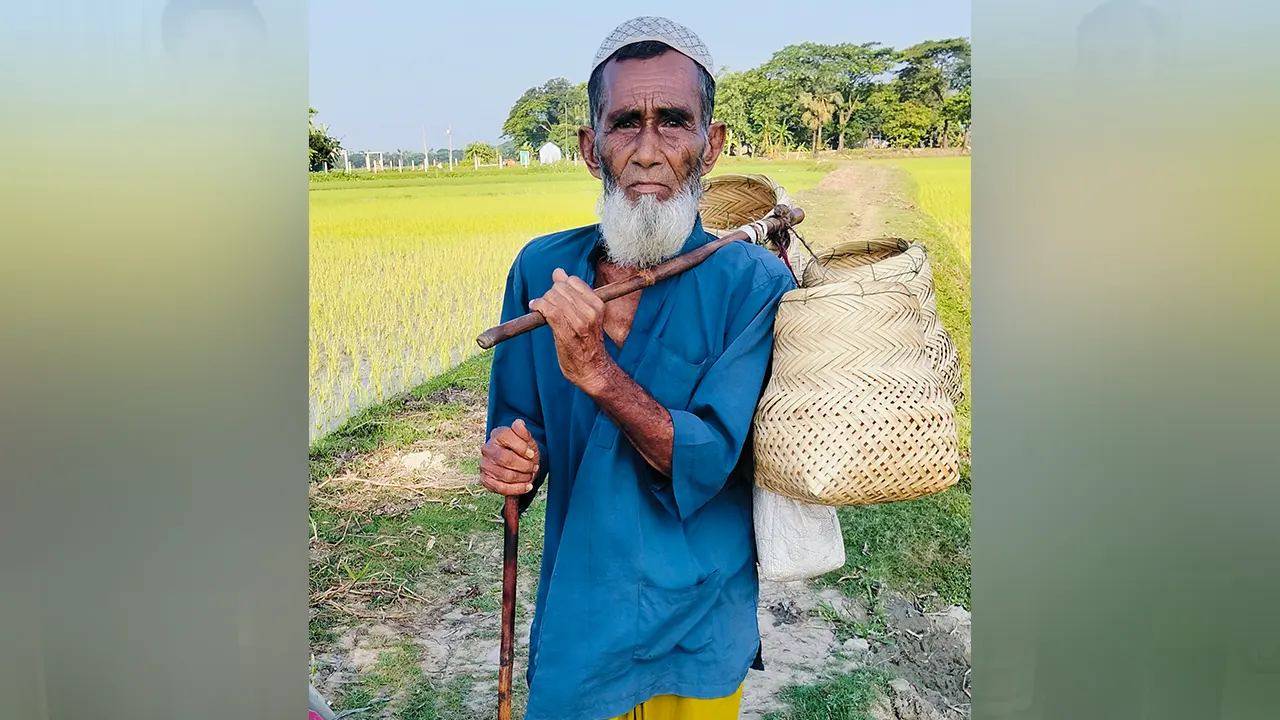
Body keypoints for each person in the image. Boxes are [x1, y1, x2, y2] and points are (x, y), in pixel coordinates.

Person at [482, 15, 795, 720]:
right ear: (592, 148)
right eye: (626, 123)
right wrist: (511, 462)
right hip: (581, 620)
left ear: (709, 145)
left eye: (674, 122)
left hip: (698, 625)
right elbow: (516, 427)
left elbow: (710, 458)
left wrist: (597, 372)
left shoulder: (751, 283)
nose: (648, 151)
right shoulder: (542, 270)